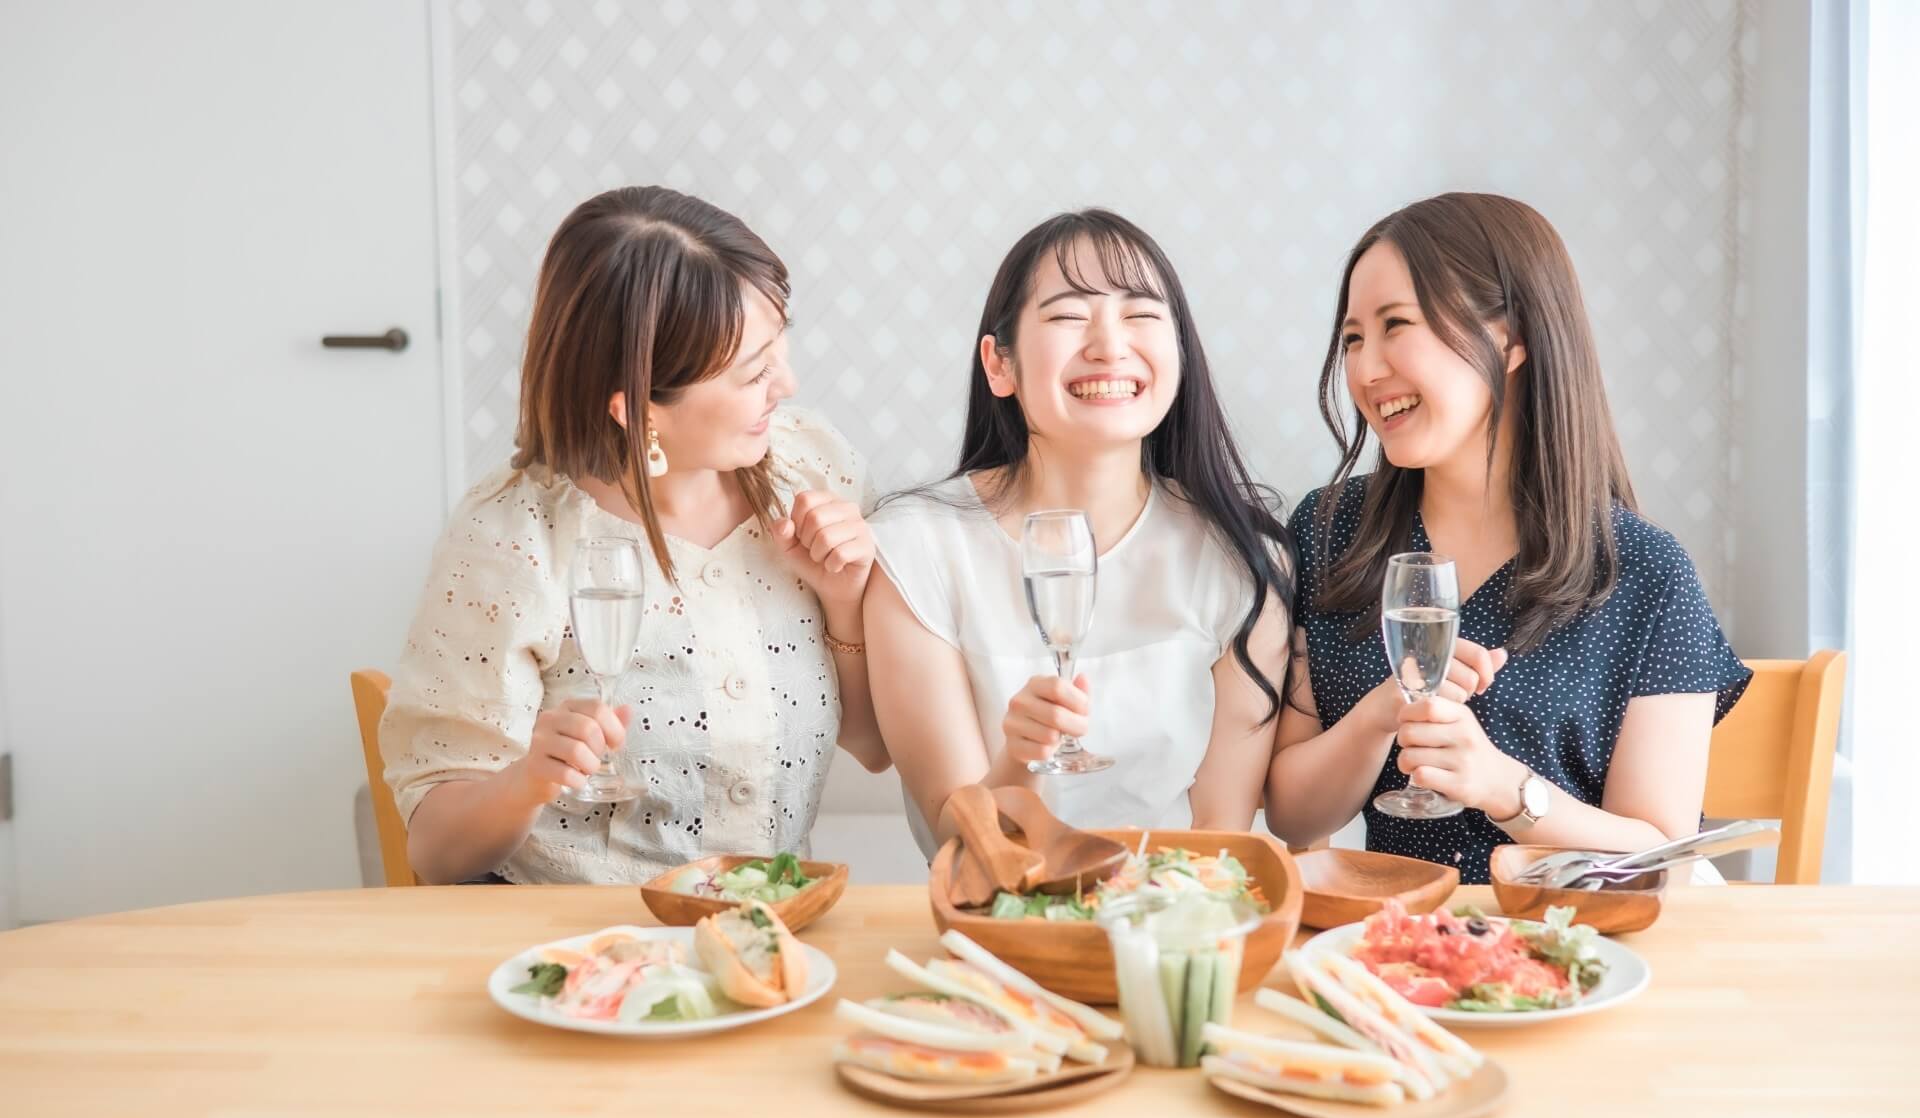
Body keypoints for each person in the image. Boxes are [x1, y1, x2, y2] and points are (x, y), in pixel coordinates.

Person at [381, 186, 887, 885]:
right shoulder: (513, 537)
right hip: (578, 956)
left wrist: (847, 599)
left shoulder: (815, 472)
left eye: (780, 348)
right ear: (635, 406)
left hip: (766, 938)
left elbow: (875, 744)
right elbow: (435, 857)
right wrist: (528, 780)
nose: (788, 384)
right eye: (754, 372)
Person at [1265, 192, 1748, 884]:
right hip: (1400, 951)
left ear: (1511, 337)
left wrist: (1506, 789)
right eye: (1351, 339)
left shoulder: (1645, 573)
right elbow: (1291, 815)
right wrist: (1380, 716)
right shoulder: (1328, 531)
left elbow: (1662, 858)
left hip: (1576, 956)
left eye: (1396, 325)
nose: (1366, 371)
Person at [864, 209, 1294, 857]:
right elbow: (959, 838)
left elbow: (1221, 838)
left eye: (1142, 315)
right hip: (992, 932)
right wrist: (1020, 759)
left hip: (1173, 929)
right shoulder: (914, 549)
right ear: (999, 365)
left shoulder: (1244, 558)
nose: (1109, 344)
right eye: (1068, 317)